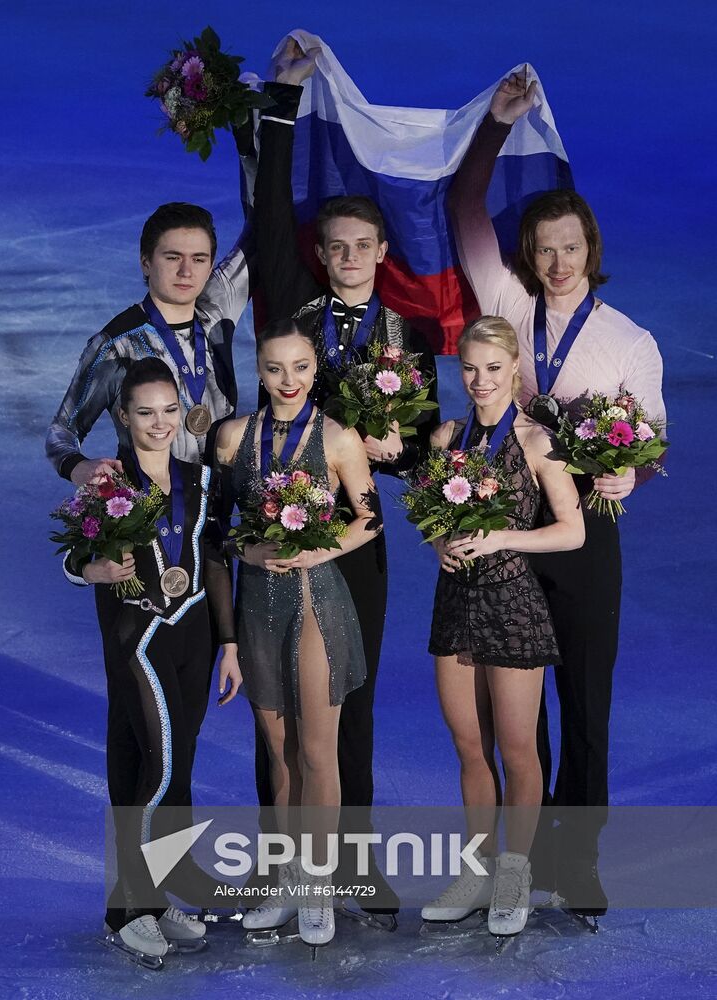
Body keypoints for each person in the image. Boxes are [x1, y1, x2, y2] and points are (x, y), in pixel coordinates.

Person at [448, 69, 666, 917]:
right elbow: (465, 209)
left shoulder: (628, 341)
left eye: (570, 246)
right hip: (507, 524)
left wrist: (631, 473)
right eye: (544, 247)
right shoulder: (506, 302)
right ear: (529, 256)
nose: (557, 260)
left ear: (591, 249)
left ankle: (579, 857)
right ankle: (522, 856)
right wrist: (498, 125)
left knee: (584, 702)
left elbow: (652, 443)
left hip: (587, 534)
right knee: (514, 699)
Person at [251, 39, 439, 916]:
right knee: (278, 705)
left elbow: (419, 452)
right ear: (320, 254)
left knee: (347, 698)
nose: (351, 257)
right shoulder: (294, 311)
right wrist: (285, 99)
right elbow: (263, 216)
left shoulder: (408, 335)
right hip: (276, 538)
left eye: (364, 245)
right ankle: (283, 861)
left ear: (380, 249)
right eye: (337, 246)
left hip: (358, 537)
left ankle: (354, 862)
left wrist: (387, 445)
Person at [64, 357, 241, 966]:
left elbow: (216, 560)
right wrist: (97, 570)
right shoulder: (108, 489)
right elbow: (71, 562)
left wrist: (231, 643)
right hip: (137, 636)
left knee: (177, 767)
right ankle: (133, 907)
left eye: (169, 410)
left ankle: (149, 903)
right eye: (145, 412)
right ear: (123, 415)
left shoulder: (201, 480)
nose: (160, 423)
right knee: (158, 767)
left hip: (194, 637)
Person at [216, 320, 382, 948]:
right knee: (279, 754)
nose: (290, 382)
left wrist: (316, 553)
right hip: (259, 605)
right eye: (276, 369)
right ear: (259, 372)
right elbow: (219, 527)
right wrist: (250, 552)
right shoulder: (233, 438)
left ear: (316, 370)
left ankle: (318, 886)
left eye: (302, 368)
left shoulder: (338, 439)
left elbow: (370, 519)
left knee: (317, 751)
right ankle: (287, 880)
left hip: (317, 602)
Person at [421, 316, 584, 938]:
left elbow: (573, 529)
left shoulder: (539, 442)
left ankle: (514, 875)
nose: (481, 380)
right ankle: (476, 871)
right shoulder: (446, 440)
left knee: (518, 751)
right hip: (455, 605)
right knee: (469, 747)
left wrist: (502, 536)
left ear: (514, 369)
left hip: (514, 606)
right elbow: (432, 517)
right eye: (470, 369)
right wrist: (440, 544)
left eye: (494, 369)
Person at [46, 200, 248, 486]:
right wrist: (78, 467)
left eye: (199, 259)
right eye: (173, 257)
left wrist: (251, 156)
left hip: (220, 517)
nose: (186, 271)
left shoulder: (217, 311)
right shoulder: (116, 344)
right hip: (151, 519)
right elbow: (62, 430)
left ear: (211, 265)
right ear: (146, 262)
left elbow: (263, 223)